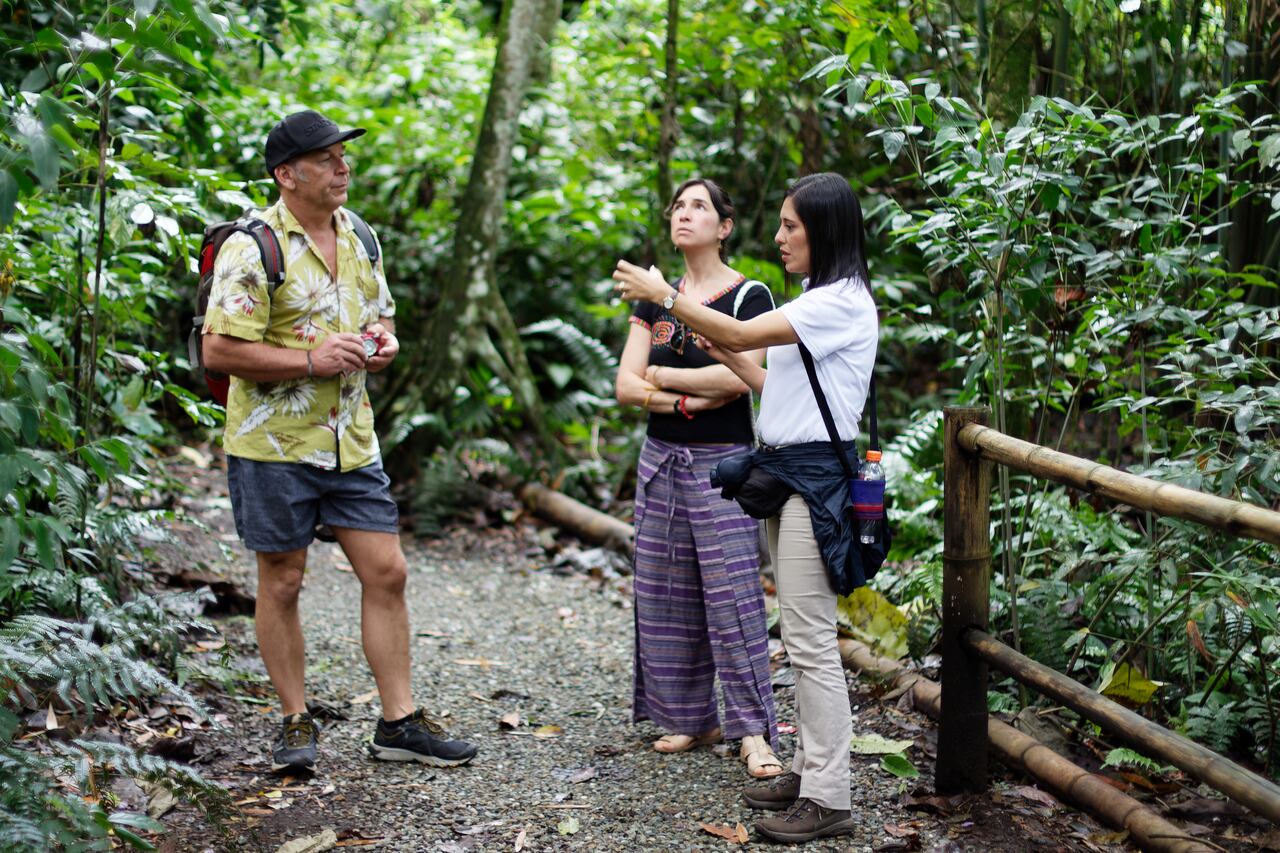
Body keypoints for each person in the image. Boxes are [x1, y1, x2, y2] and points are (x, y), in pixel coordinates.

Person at [201, 109, 477, 774]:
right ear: (287, 174)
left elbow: (380, 317)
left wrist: (383, 344)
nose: (342, 168)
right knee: (284, 580)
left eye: (343, 157)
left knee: (387, 571)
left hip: (352, 438)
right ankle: (296, 721)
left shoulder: (359, 236)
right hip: (273, 444)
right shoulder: (254, 246)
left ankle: (399, 722)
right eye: (327, 159)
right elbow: (219, 347)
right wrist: (310, 360)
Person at [613, 172, 876, 843]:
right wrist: (708, 345)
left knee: (811, 640)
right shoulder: (818, 298)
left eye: (791, 226)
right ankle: (814, 774)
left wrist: (664, 297)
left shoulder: (837, 302)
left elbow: (747, 329)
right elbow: (764, 379)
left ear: (825, 230)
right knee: (801, 630)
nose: (781, 237)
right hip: (788, 473)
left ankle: (830, 794)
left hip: (816, 479)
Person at [615, 178, 783, 779]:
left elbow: (740, 381)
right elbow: (624, 385)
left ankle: (753, 731)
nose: (685, 215)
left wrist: (661, 386)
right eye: (679, 206)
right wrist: (685, 396)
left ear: (725, 225)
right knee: (666, 591)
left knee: (734, 598)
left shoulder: (749, 297)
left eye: (700, 207)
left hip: (724, 466)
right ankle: (691, 716)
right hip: (660, 461)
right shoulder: (652, 297)